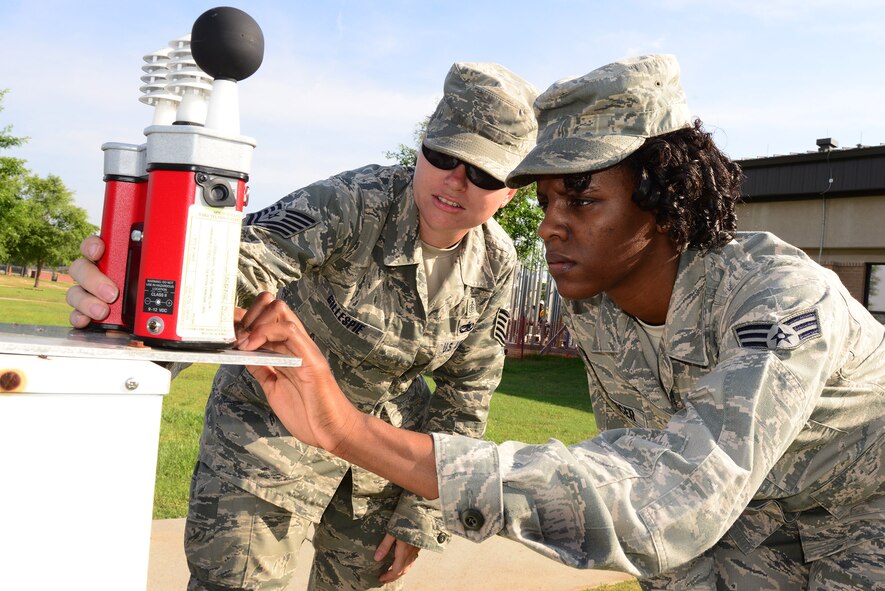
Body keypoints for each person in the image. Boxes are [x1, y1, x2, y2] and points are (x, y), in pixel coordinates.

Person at [233, 54, 885, 590]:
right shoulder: (597, 305)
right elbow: (634, 475)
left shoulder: (780, 300)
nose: (548, 225)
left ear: (663, 199)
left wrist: (346, 430)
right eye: (545, 199)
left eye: (581, 198)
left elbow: (659, 503)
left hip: (865, 506)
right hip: (748, 512)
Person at [66, 62, 539, 590]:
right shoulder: (355, 201)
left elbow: (467, 393)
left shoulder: (498, 264)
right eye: (444, 154)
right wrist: (142, 281)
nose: (455, 179)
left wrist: (422, 514)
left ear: (512, 190)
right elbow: (243, 260)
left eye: (483, 173)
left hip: (376, 462)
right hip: (268, 434)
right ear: (422, 147)